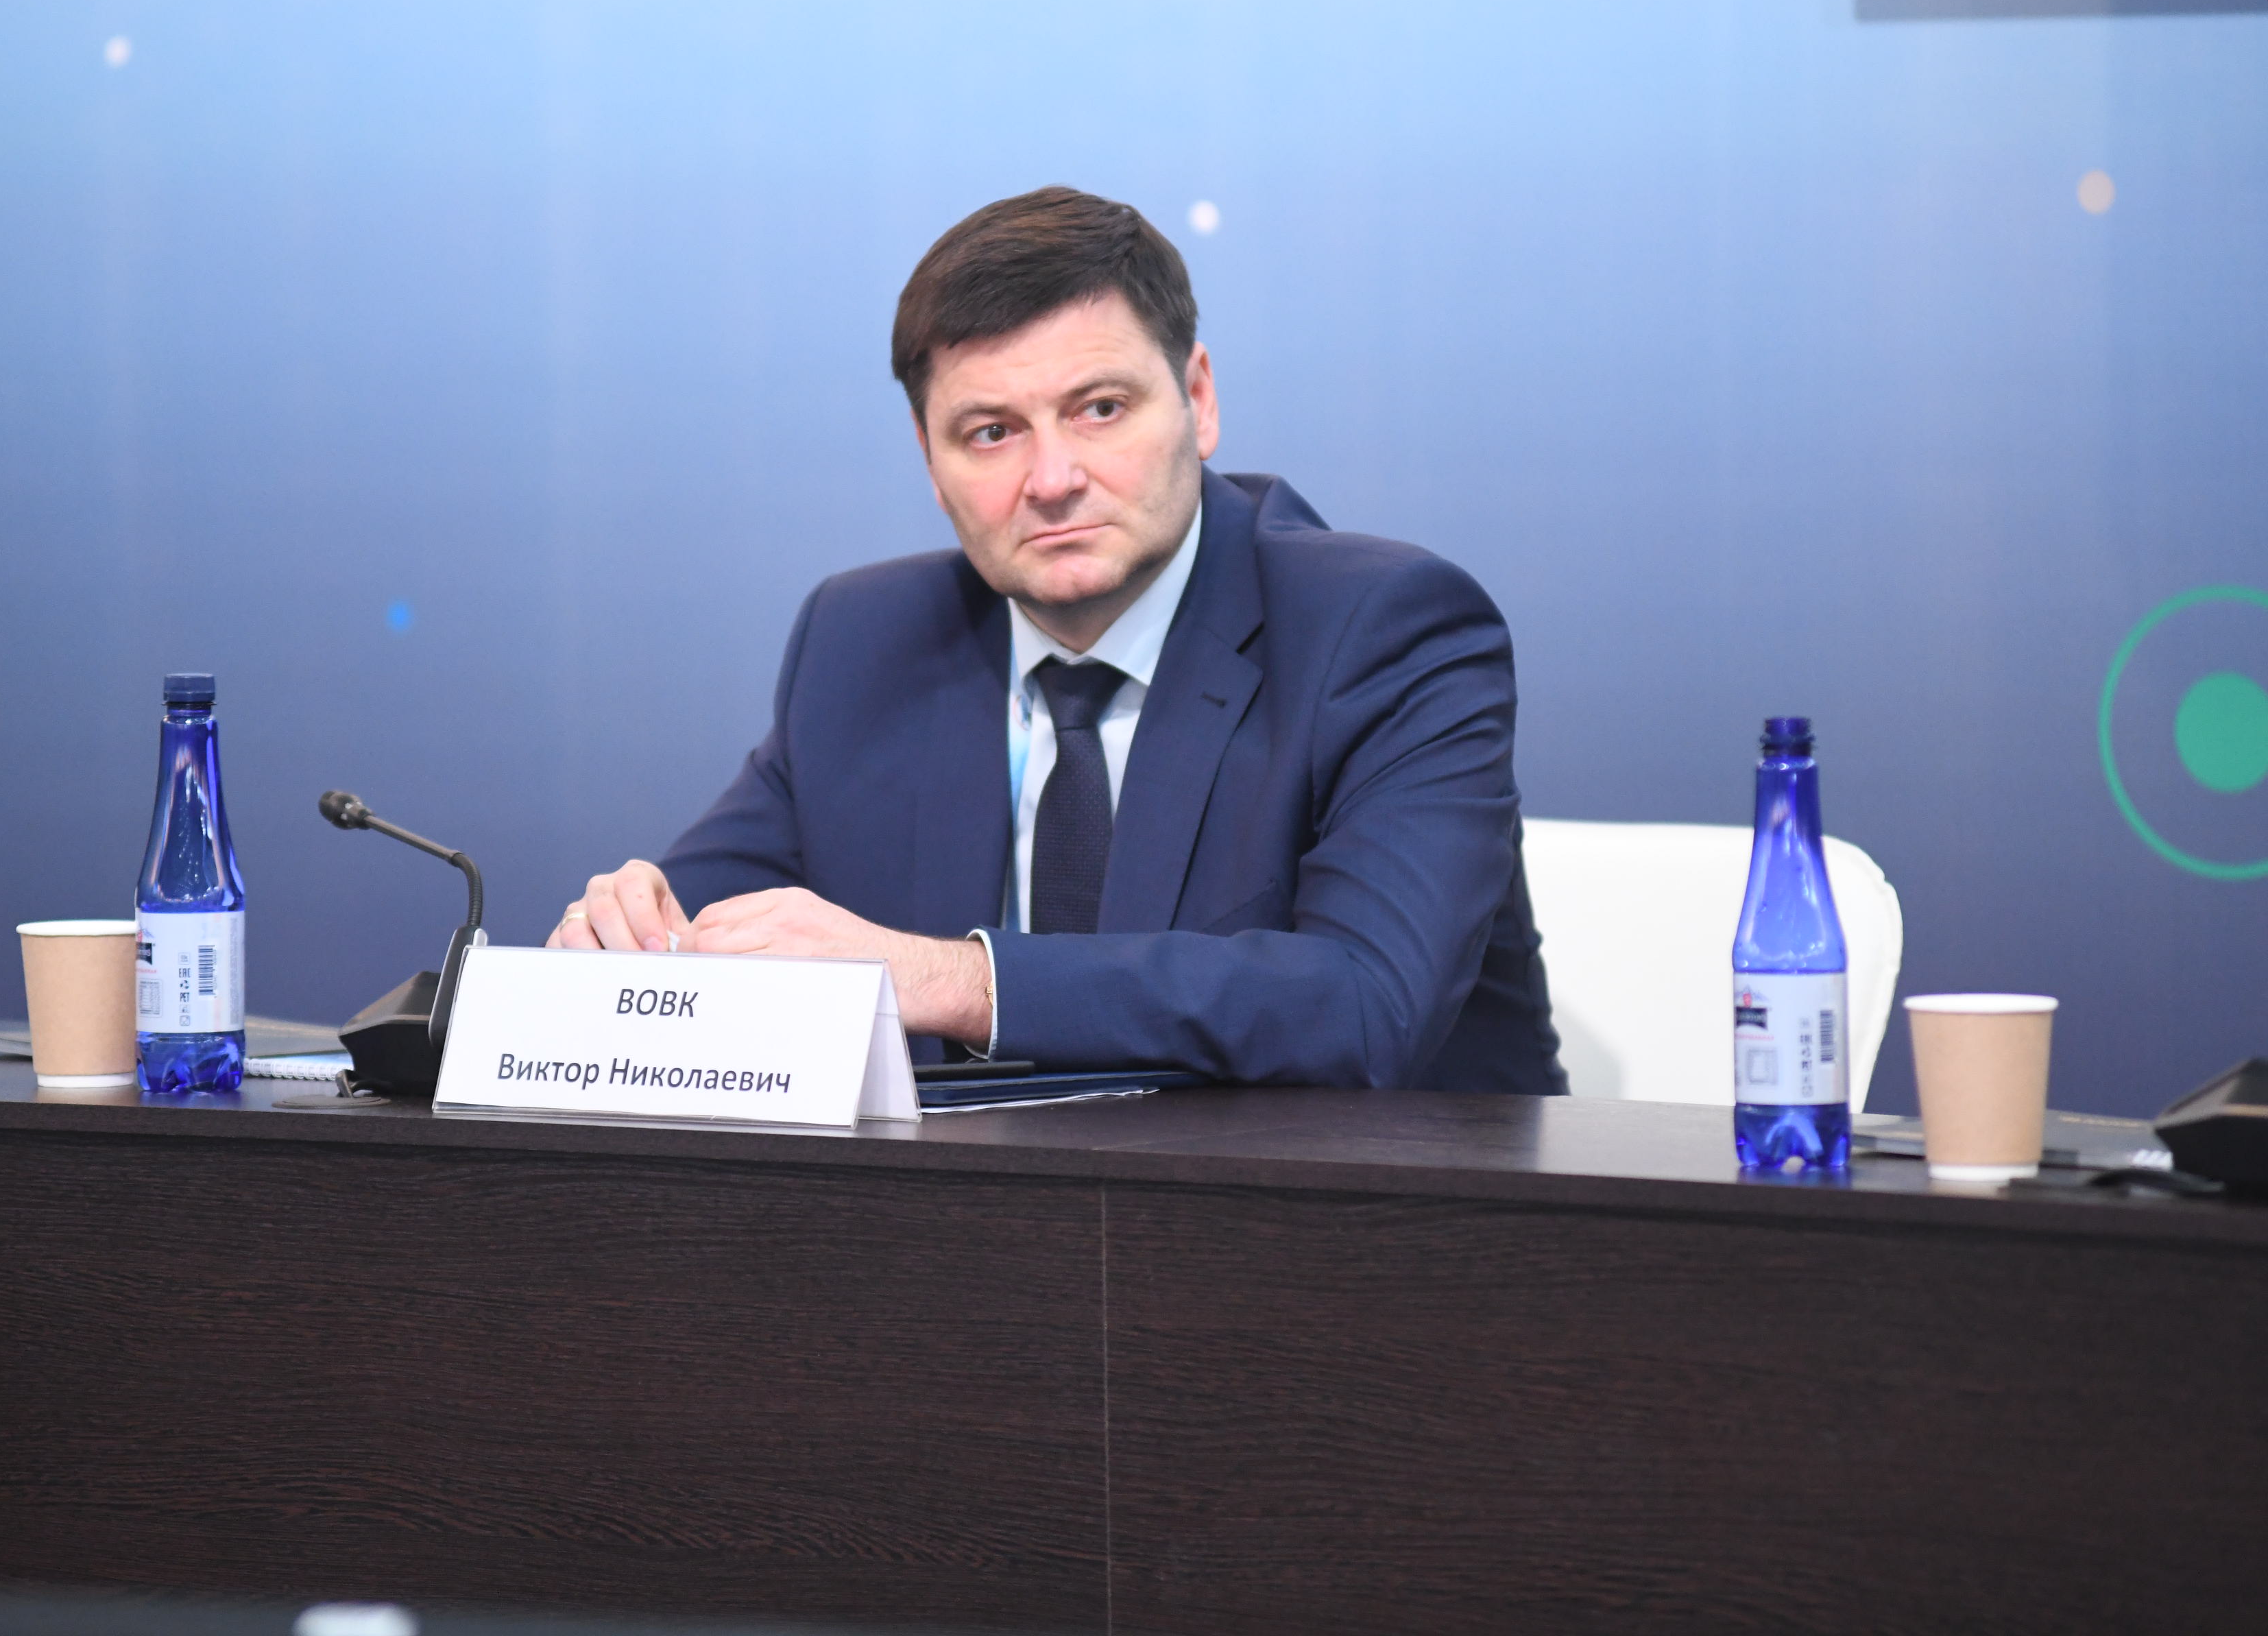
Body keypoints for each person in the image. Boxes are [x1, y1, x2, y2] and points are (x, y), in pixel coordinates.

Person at [548, 187, 1562, 1092]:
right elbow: (702, 929)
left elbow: (1366, 1003)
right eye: (992, 432)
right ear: (929, 459)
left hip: (1365, 1222)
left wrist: (950, 980)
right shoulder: (861, 643)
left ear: (1199, 400)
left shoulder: (1382, 630)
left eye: (1100, 410)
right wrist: (631, 946)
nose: (1052, 479)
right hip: (977, 1224)